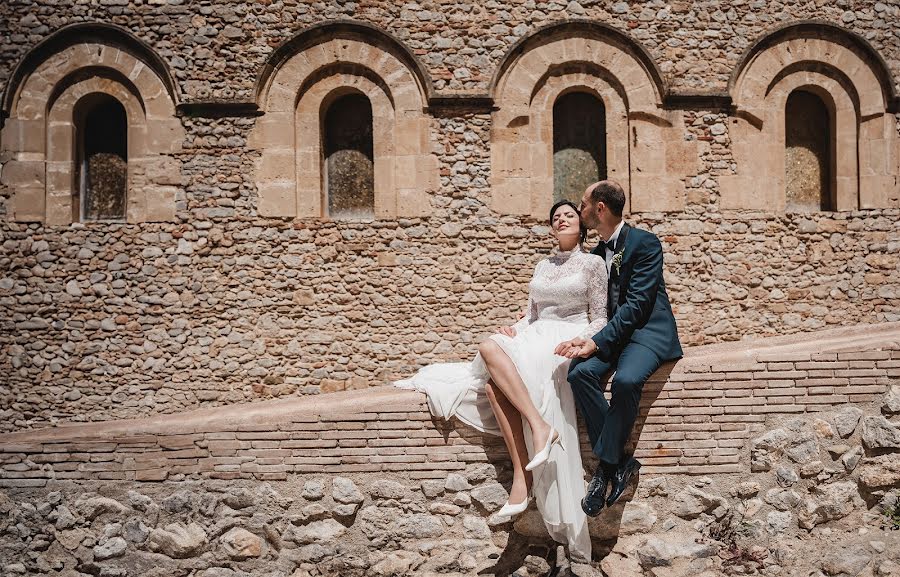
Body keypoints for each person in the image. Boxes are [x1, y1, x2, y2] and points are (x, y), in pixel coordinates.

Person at [395, 200, 607, 562]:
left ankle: (521, 483)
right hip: (536, 332)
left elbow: (600, 317)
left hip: (566, 338)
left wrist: (579, 341)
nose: (560, 219)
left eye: (568, 215)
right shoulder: (543, 264)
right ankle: (538, 431)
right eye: (555, 217)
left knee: (495, 382)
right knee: (491, 348)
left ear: (581, 225)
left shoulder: (593, 263)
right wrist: (516, 328)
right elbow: (531, 314)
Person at [556, 180, 683, 517]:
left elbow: (639, 305)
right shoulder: (596, 255)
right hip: (612, 336)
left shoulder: (645, 243)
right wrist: (582, 337)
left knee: (626, 381)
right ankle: (622, 462)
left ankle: (604, 470)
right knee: (580, 373)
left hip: (647, 333)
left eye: (583, 204)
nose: (579, 211)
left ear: (600, 208)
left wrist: (596, 342)